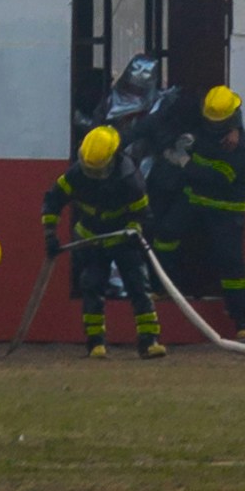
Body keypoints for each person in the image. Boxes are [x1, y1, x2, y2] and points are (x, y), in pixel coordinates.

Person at [43, 123, 163, 359]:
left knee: (138, 287)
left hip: (123, 239)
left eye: (98, 170)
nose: (93, 175)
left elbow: (143, 215)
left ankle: (149, 341)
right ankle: (95, 342)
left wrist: (132, 229)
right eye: (89, 169)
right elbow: (53, 200)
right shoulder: (77, 174)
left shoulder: (129, 179)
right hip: (91, 240)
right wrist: (49, 233)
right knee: (92, 287)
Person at [165, 81, 245, 335]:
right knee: (165, 236)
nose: (212, 125)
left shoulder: (240, 149)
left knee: (231, 262)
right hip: (193, 199)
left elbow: (217, 179)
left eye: (219, 122)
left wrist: (184, 162)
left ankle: (241, 322)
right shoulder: (211, 112)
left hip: (226, 210)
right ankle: (164, 286)